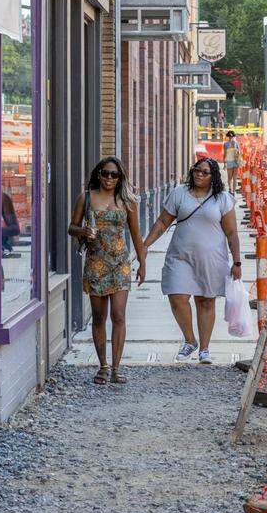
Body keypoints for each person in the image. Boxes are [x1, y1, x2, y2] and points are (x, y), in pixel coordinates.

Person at [142, 157, 242, 364]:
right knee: (176, 296)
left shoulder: (222, 199)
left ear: (213, 176)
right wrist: (145, 245)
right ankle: (190, 340)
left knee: (205, 300)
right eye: (196, 170)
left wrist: (237, 262)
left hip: (212, 259)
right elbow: (162, 222)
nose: (199, 174)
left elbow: (231, 232)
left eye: (205, 172)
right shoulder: (180, 193)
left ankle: (204, 349)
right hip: (180, 256)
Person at [68, 157, 146, 385]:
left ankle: (116, 368)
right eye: (105, 173)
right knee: (99, 317)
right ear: (98, 174)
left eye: (114, 175)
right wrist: (83, 232)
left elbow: (136, 235)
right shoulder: (86, 197)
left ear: (120, 177)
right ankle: (102, 366)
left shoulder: (127, 201)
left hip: (120, 264)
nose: (109, 178)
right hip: (95, 264)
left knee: (119, 315)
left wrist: (142, 263)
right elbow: (71, 228)